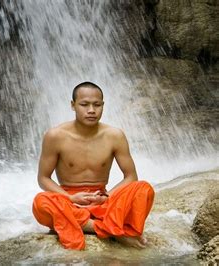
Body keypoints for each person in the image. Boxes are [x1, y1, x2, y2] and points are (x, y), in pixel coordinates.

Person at [32, 81, 154, 250]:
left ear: (103, 105)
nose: (91, 110)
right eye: (84, 104)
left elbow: (131, 177)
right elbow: (43, 178)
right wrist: (71, 198)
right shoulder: (55, 136)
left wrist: (106, 197)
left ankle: (86, 225)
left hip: (103, 201)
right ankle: (112, 231)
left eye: (97, 105)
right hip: (70, 203)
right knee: (41, 201)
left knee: (143, 189)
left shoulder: (114, 135)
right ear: (73, 105)